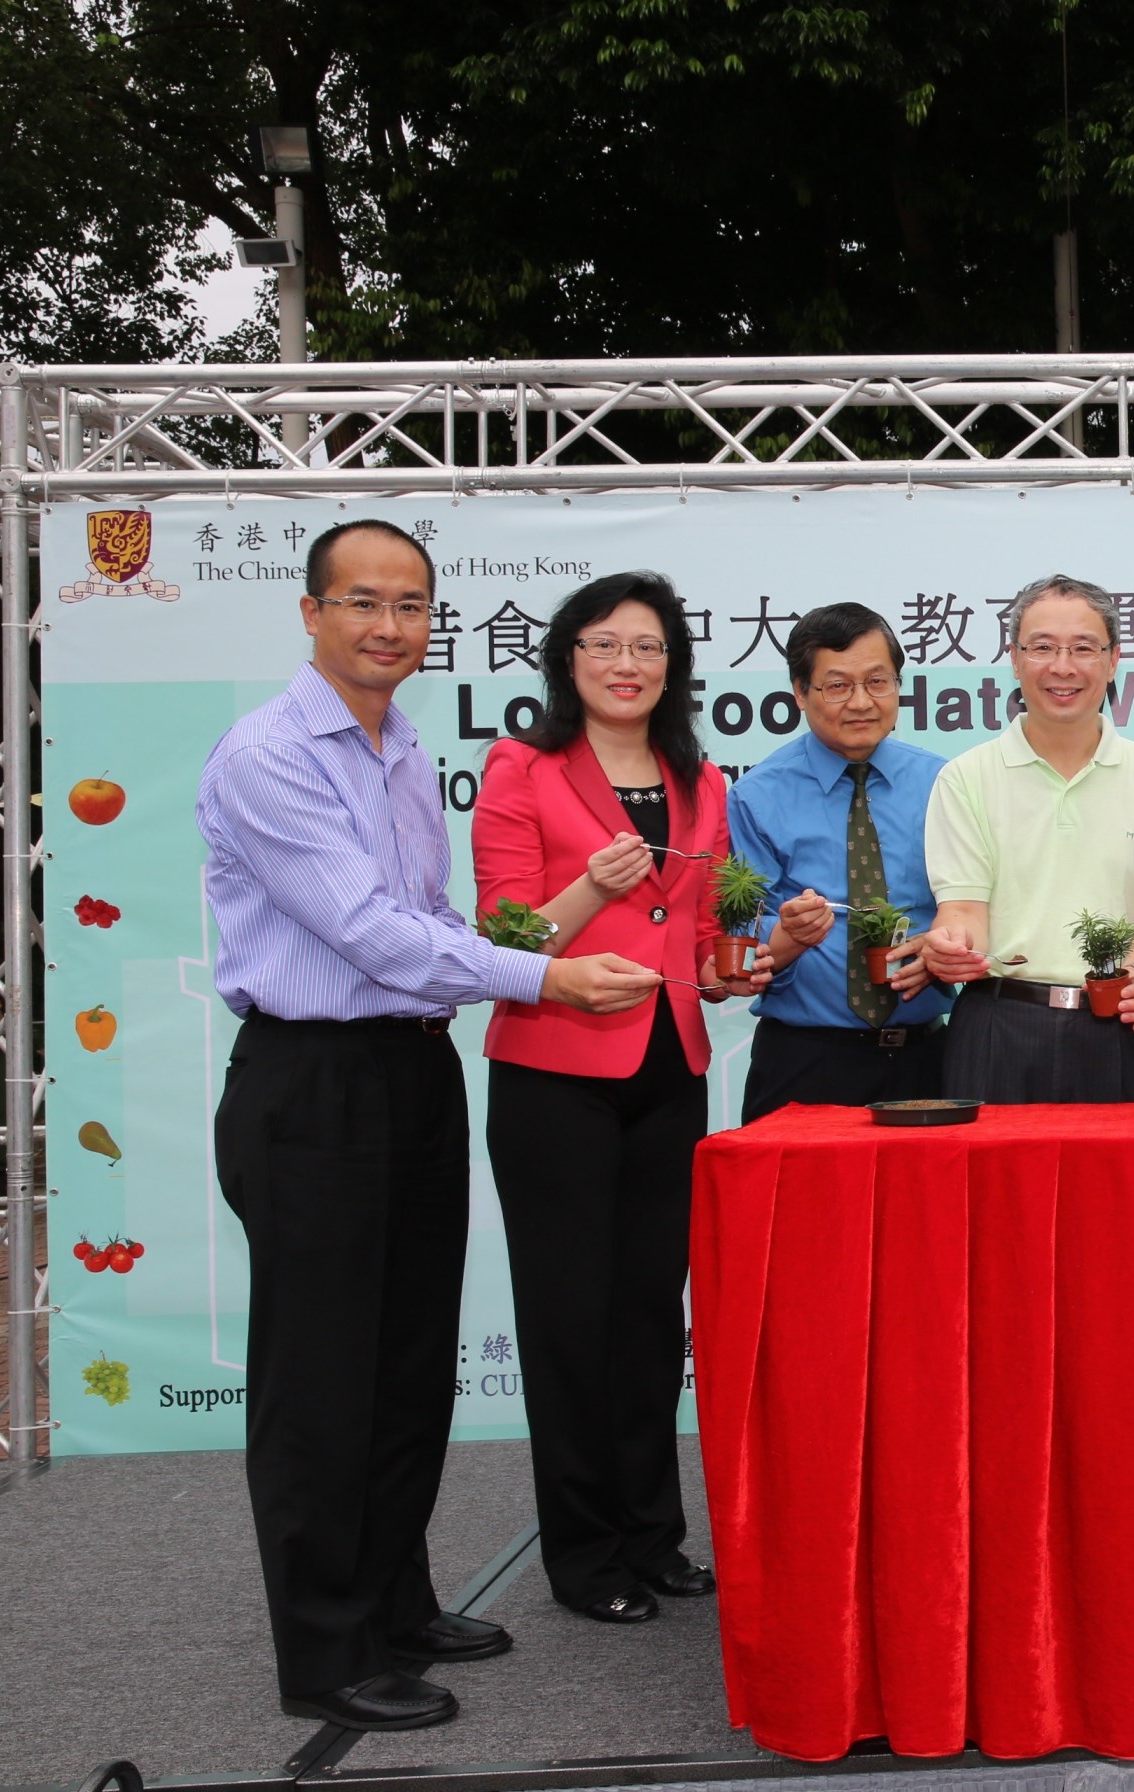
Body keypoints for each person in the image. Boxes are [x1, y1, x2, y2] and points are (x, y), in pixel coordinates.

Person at [200, 520, 658, 1732]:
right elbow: (370, 932)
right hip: (311, 1083)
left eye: (410, 605)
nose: (389, 625)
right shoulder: (269, 755)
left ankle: (395, 1601)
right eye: (362, 602)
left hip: (412, 1071)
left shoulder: (400, 746)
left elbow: (435, 917)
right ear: (312, 613)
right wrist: (547, 980)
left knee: (406, 1364)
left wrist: (527, 955)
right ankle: (325, 1649)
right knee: (320, 1379)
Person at [471, 572, 765, 1626]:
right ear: (567, 659)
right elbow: (502, 938)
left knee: (650, 1315)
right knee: (568, 1321)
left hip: (667, 1068)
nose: (627, 664)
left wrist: (745, 961)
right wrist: (591, 886)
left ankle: (656, 1534)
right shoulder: (522, 767)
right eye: (604, 645)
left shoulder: (703, 779)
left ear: (675, 665)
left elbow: (694, 940)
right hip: (552, 1072)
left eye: (648, 646)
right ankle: (585, 1555)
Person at [913, 576, 1134, 1101]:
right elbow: (963, 908)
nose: (1063, 667)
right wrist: (953, 946)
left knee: (1121, 1184)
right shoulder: (967, 777)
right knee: (992, 1186)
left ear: (1113, 660)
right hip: (997, 1026)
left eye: (1084, 648)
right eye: (1042, 648)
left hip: (1116, 1024)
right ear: (1014, 659)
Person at [726, 603, 946, 1120]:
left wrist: (944, 945)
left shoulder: (945, 785)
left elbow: (980, 908)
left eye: (878, 681)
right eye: (838, 686)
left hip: (927, 1057)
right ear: (800, 692)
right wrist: (787, 937)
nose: (862, 702)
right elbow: (741, 949)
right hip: (804, 1060)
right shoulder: (756, 796)